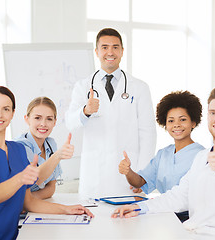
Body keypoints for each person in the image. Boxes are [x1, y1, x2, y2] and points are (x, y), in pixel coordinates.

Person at [112, 86, 215, 240]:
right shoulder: (202, 157)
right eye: (213, 113)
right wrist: (139, 208)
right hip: (193, 231)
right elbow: (180, 195)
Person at [0, 86, 93, 240]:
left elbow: (29, 202)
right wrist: (21, 178)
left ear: (12, 113)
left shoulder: (18, 149)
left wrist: (67, 209)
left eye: (6, 109)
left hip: (9, 235)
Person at [65, 28, 157, 198]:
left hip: (127, 176)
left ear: (122, 51)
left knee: (130, 221)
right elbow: (70, 123)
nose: (110, 52)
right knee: (94, 221)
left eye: (115, 47)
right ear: (97, 52)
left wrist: (142, 176)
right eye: (105, 47)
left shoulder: (139, 87)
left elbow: (148, 133)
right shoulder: (83, 86)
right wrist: (85, 111)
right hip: (95, 176)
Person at [118, 91, 204, 222]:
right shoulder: (163, 154)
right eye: (171, 120)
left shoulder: (202, 155)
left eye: (183, 119)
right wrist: (128, 171)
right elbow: (139, 182)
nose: (176, 125)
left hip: (190, 219)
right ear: (165, 124)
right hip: (164, 214)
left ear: (193, 122)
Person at [16, 97, 73, 199]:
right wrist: (57, 156)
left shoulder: (51, 144)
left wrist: (29, 201)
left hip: (35, 204)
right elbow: (36, 179)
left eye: (49, 119)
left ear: (55, 122)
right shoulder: (20, 146)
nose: (43, 124)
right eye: (37, 118)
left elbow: (51, 187)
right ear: (27, 119)